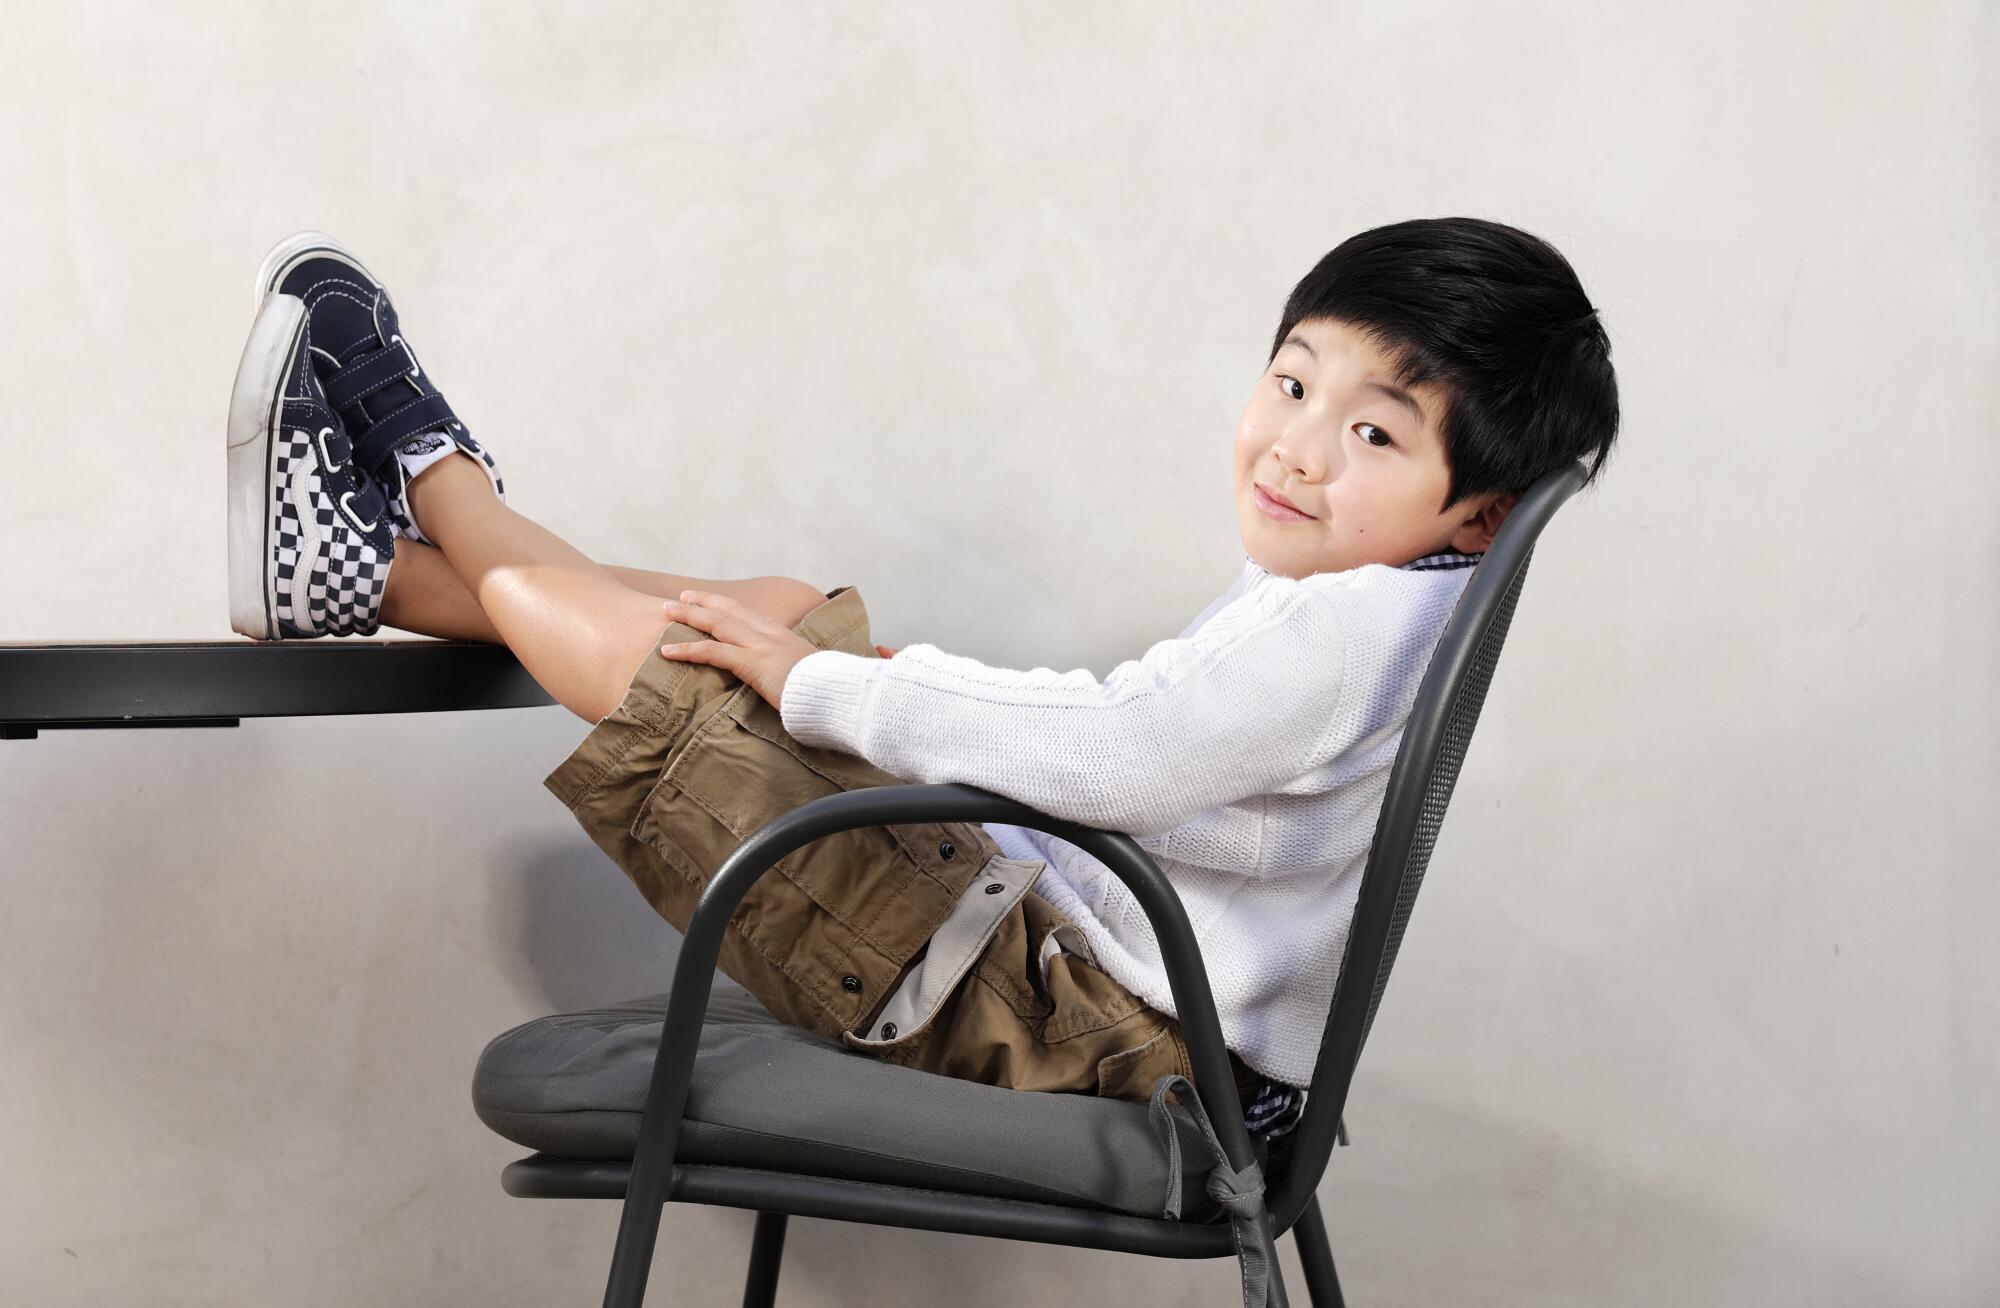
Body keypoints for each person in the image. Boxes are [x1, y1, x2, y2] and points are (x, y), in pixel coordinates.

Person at [224, 219, 1619, 1137]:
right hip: (1093, 960)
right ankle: (372, 572)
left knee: (679, 690)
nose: (1299, 447)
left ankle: (425, 464)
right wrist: (872, 685)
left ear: (1476, 512)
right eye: (1295, 383)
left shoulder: (1342, 629)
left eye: (1376, 436)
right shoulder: (1375, 606)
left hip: (1094, 1029)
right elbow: (1159, 765)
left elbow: (1127, 755)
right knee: (777, 614)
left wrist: (843, 699)